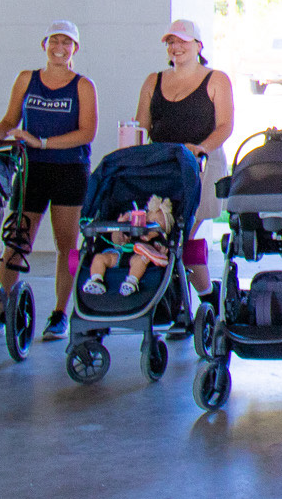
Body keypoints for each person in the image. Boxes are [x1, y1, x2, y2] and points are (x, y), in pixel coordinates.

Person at [0, 21, 97, 342]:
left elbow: (86, 133)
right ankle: (0, 311)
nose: (59, 47)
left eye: (66, 42)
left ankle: (60, 314)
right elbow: (10, 119)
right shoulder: (26, 79)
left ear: (75, 48)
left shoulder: (83, 86)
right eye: (54, 41)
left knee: (66, 245)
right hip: (31, 170)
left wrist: (42, 142)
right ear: (44, 44)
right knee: (17, 241)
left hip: (69, 170)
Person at [134, 20, 233, 303]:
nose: (176, 47)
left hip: (201, 166)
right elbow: (141, 126)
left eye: (182, 42)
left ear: (198, 46)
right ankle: (204, 296)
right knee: (166, 237)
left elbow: (225, 126)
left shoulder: (216, 79)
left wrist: (201, 148)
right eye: (171, 42)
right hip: (163, 166)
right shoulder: (153, 80)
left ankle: (193, 298)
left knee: (179, 236)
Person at [80, 198, 174, 298]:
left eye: (157, 226)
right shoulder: (132, 223)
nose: (150, 225)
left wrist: (161, 253)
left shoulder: (156, 241)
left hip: (135, 258)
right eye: (151, 220)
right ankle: (96, 280)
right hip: (118, 254)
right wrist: (120, 226)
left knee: (142, 260)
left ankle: (131, 281)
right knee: (99, 258)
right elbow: (116, 242)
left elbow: (160, 257)